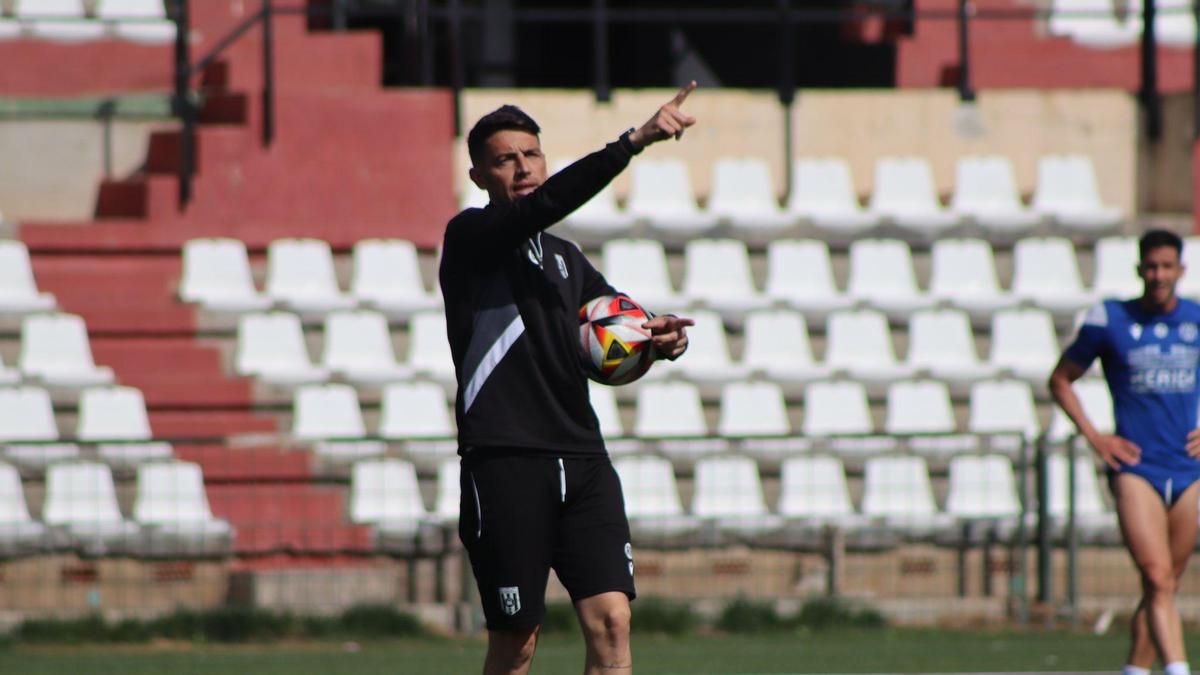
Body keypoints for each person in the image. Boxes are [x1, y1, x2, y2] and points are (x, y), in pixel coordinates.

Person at [439, 83, 699, 675]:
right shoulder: (470, 238)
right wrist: (632, 141)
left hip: (582, 458)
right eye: (505, 158)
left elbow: (621, 331)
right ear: (479, 175)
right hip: (507, 461)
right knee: (518, 642)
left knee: (612, 623)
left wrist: (660, 343)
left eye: (532, 154)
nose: (523, 167)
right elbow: (543, 206)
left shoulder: (565, 260)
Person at [1049, 229, 1200, 675]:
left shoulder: (1196, 320)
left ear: (1180, 271)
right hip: (1137, 468)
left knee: (1165, 586)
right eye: (1151, 267)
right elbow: (1060, 380)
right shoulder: (1109, 320)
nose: (1158, 275)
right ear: (1139, 270)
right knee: (1155, 576)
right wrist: (1096, 437)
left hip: (1188, 468)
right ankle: (1178, 669)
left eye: (1166, 267)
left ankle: (1134, 670)